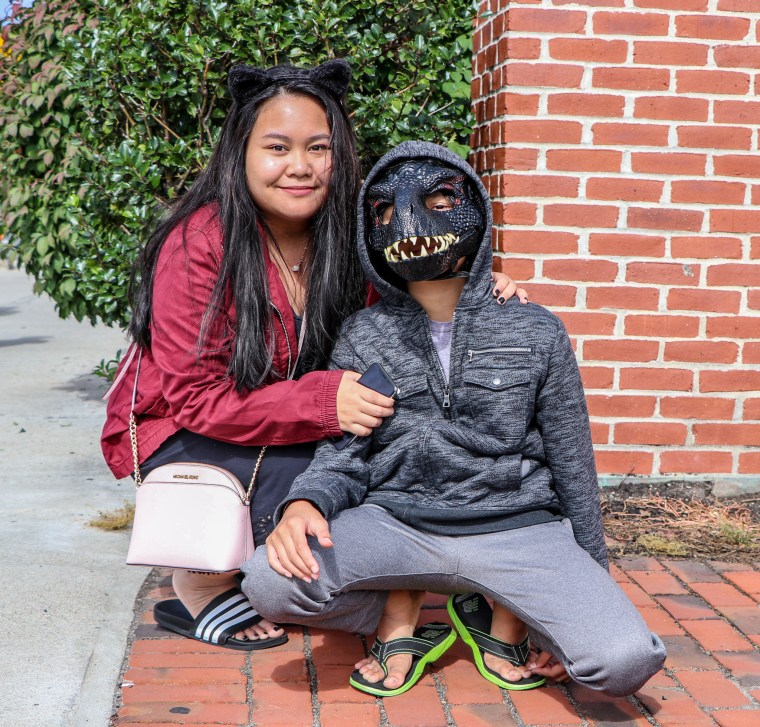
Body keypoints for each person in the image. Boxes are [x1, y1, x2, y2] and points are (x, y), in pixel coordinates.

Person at [100, 61, 522, 650]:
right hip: (188, 430)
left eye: (317, 148)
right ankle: (201, 582)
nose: (299, 166)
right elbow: (196, 397)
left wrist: (471, 287)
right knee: (330, 503)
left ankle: (376, 586)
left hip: (297, 422)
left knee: (391, 466)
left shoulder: (350, 234)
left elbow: (406, 308)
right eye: (277, 147)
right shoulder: (198, 244)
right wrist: (326, 402)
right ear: (241, 152)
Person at [242, 141, 667, 697]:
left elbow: (572, 463)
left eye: (440, 202)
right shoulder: (365, 334)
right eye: (384, 213)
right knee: (269, 582)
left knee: (623, 662)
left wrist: (582, 590)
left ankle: (500, 612)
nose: (407, 222)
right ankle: (398, 607)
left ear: (476, 213)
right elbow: (344, 454)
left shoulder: (536, 329)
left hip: (518, 529)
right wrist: (307, 502)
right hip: (395, 525)